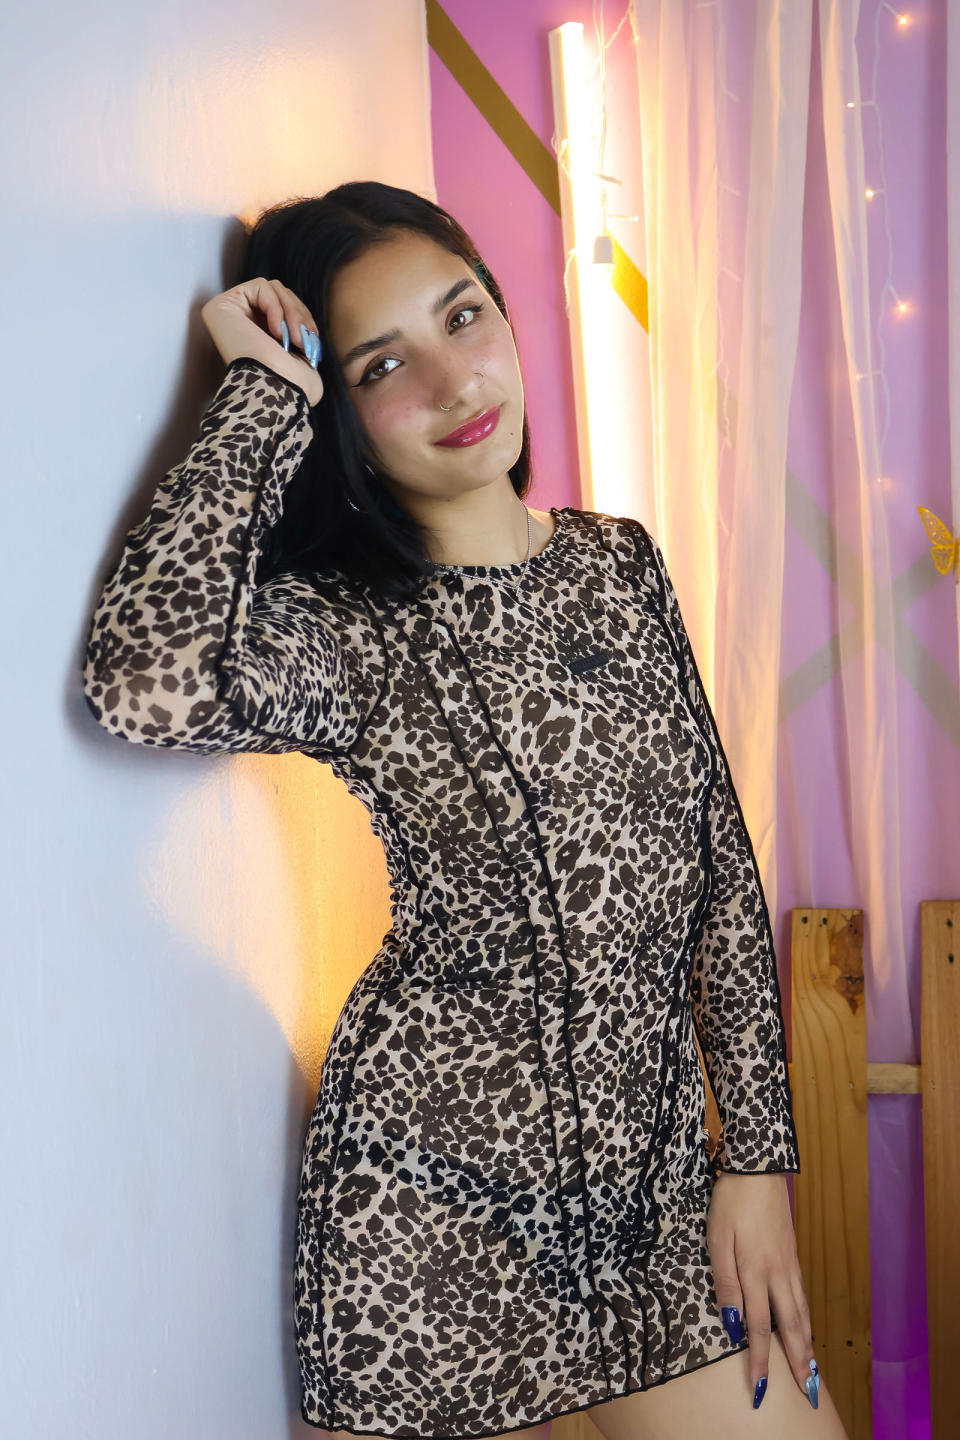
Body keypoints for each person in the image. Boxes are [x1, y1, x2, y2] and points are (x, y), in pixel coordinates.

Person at [81, 181, 849, 1440]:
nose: (454, 382)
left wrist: (756, 1165)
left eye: (463, 315)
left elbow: (715, 862)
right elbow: (146, 682)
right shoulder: (350, 625)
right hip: (431, 1225)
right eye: (382, 365)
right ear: (340, 413)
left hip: (651, 1215)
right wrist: (263, 391)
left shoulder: (619, 561)